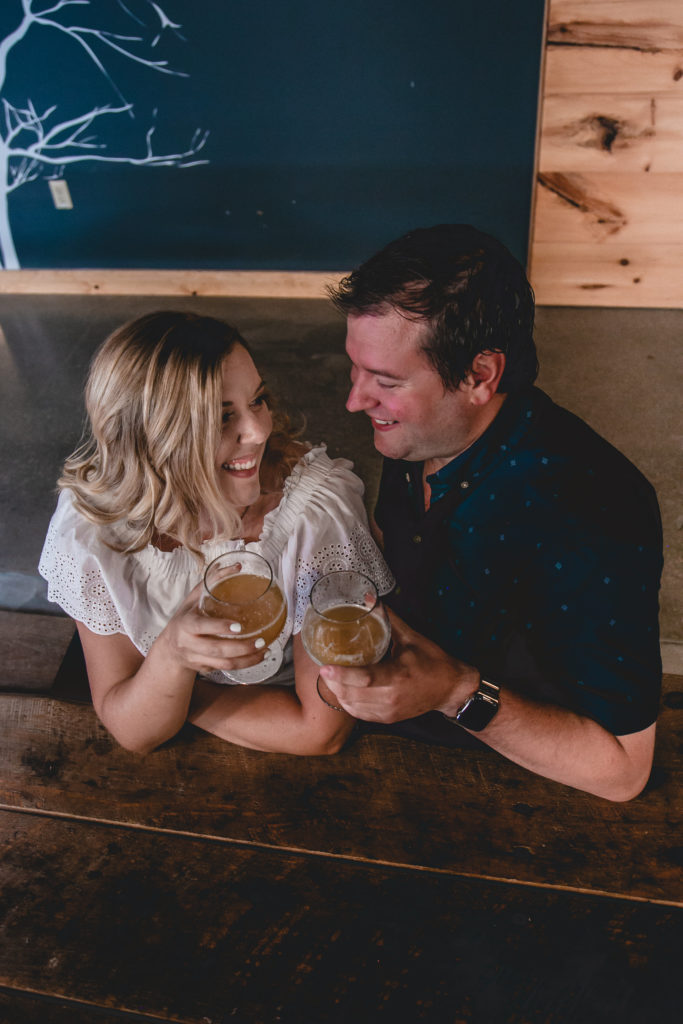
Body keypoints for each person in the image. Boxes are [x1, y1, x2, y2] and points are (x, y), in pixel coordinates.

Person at [319, 224, 663, 801]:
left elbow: (623, 771)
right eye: (356, 369)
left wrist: (454, 691)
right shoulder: (419, 434)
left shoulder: (594, 511)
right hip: (379, 751)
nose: (355, 400)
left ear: (480, 375)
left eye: (384, 381)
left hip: (511, 792)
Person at [39, 311, 393, 756]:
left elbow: (319, 730)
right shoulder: (94, 524)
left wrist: (163, 686)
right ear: (153, 437)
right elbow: (134, 734)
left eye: (257, 400)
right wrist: (170, 653)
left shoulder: (315, 512)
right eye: (222, 416)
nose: (259, 430)